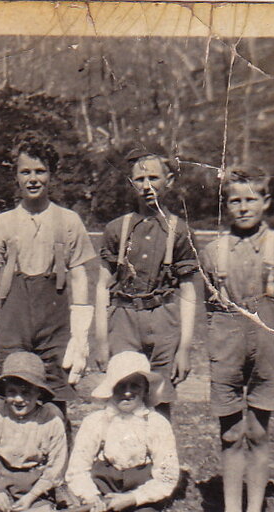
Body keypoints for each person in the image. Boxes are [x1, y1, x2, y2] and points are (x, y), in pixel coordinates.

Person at [194, 165, 274, 512]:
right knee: (230, 432)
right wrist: (223, 340)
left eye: (250, 199)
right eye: (234, 200)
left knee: (257, 430)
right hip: (226, 343)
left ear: (266, 201)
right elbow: (208, 305)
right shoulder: (212, 251)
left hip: (266, 346)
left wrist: (273, 338)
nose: (242, 207)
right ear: (226, 206)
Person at [0, 135, 96, 416]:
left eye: (40, 171)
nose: (33, 179)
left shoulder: (68, 221)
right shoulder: (3, 223)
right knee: (13, 388)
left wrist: (81, 335)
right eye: (25, 172)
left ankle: (57, 456)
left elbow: (80, 276)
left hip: (55, 322)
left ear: (52, 175)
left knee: (55, 392)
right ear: (16, 176)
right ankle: (11, 458)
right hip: (14, 320)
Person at [93, 146, 198, 419]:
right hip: (124, 320)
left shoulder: (180, 230)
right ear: (131, 184)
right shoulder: (117, 228)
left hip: (164, 320)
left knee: (159, 399)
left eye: (154, 178)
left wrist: (185, 348)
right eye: (139, 180)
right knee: (123, 396)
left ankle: (160, 459)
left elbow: (188, 291)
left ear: (169, 181)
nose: (147, 186)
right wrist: (102, 341)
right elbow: (102, 286)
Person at [66, 351, 181, 512]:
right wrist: (93, 498)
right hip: (104, 497)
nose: (127, 393)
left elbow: (167, 476)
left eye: (134, 386)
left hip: (140, 498)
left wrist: (133, 498)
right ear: (111, 389)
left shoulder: (155, 423)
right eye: (121, 385)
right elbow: (77, 469)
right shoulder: (96, 421)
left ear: (145, 389)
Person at [0, 352, 68, 512]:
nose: (18, 399)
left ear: (39, 393)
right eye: (12, 392)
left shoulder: (51, 421)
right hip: (2, 486)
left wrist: (31, 497)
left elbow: (56, 467)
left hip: (37, 488)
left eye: (26, 392)